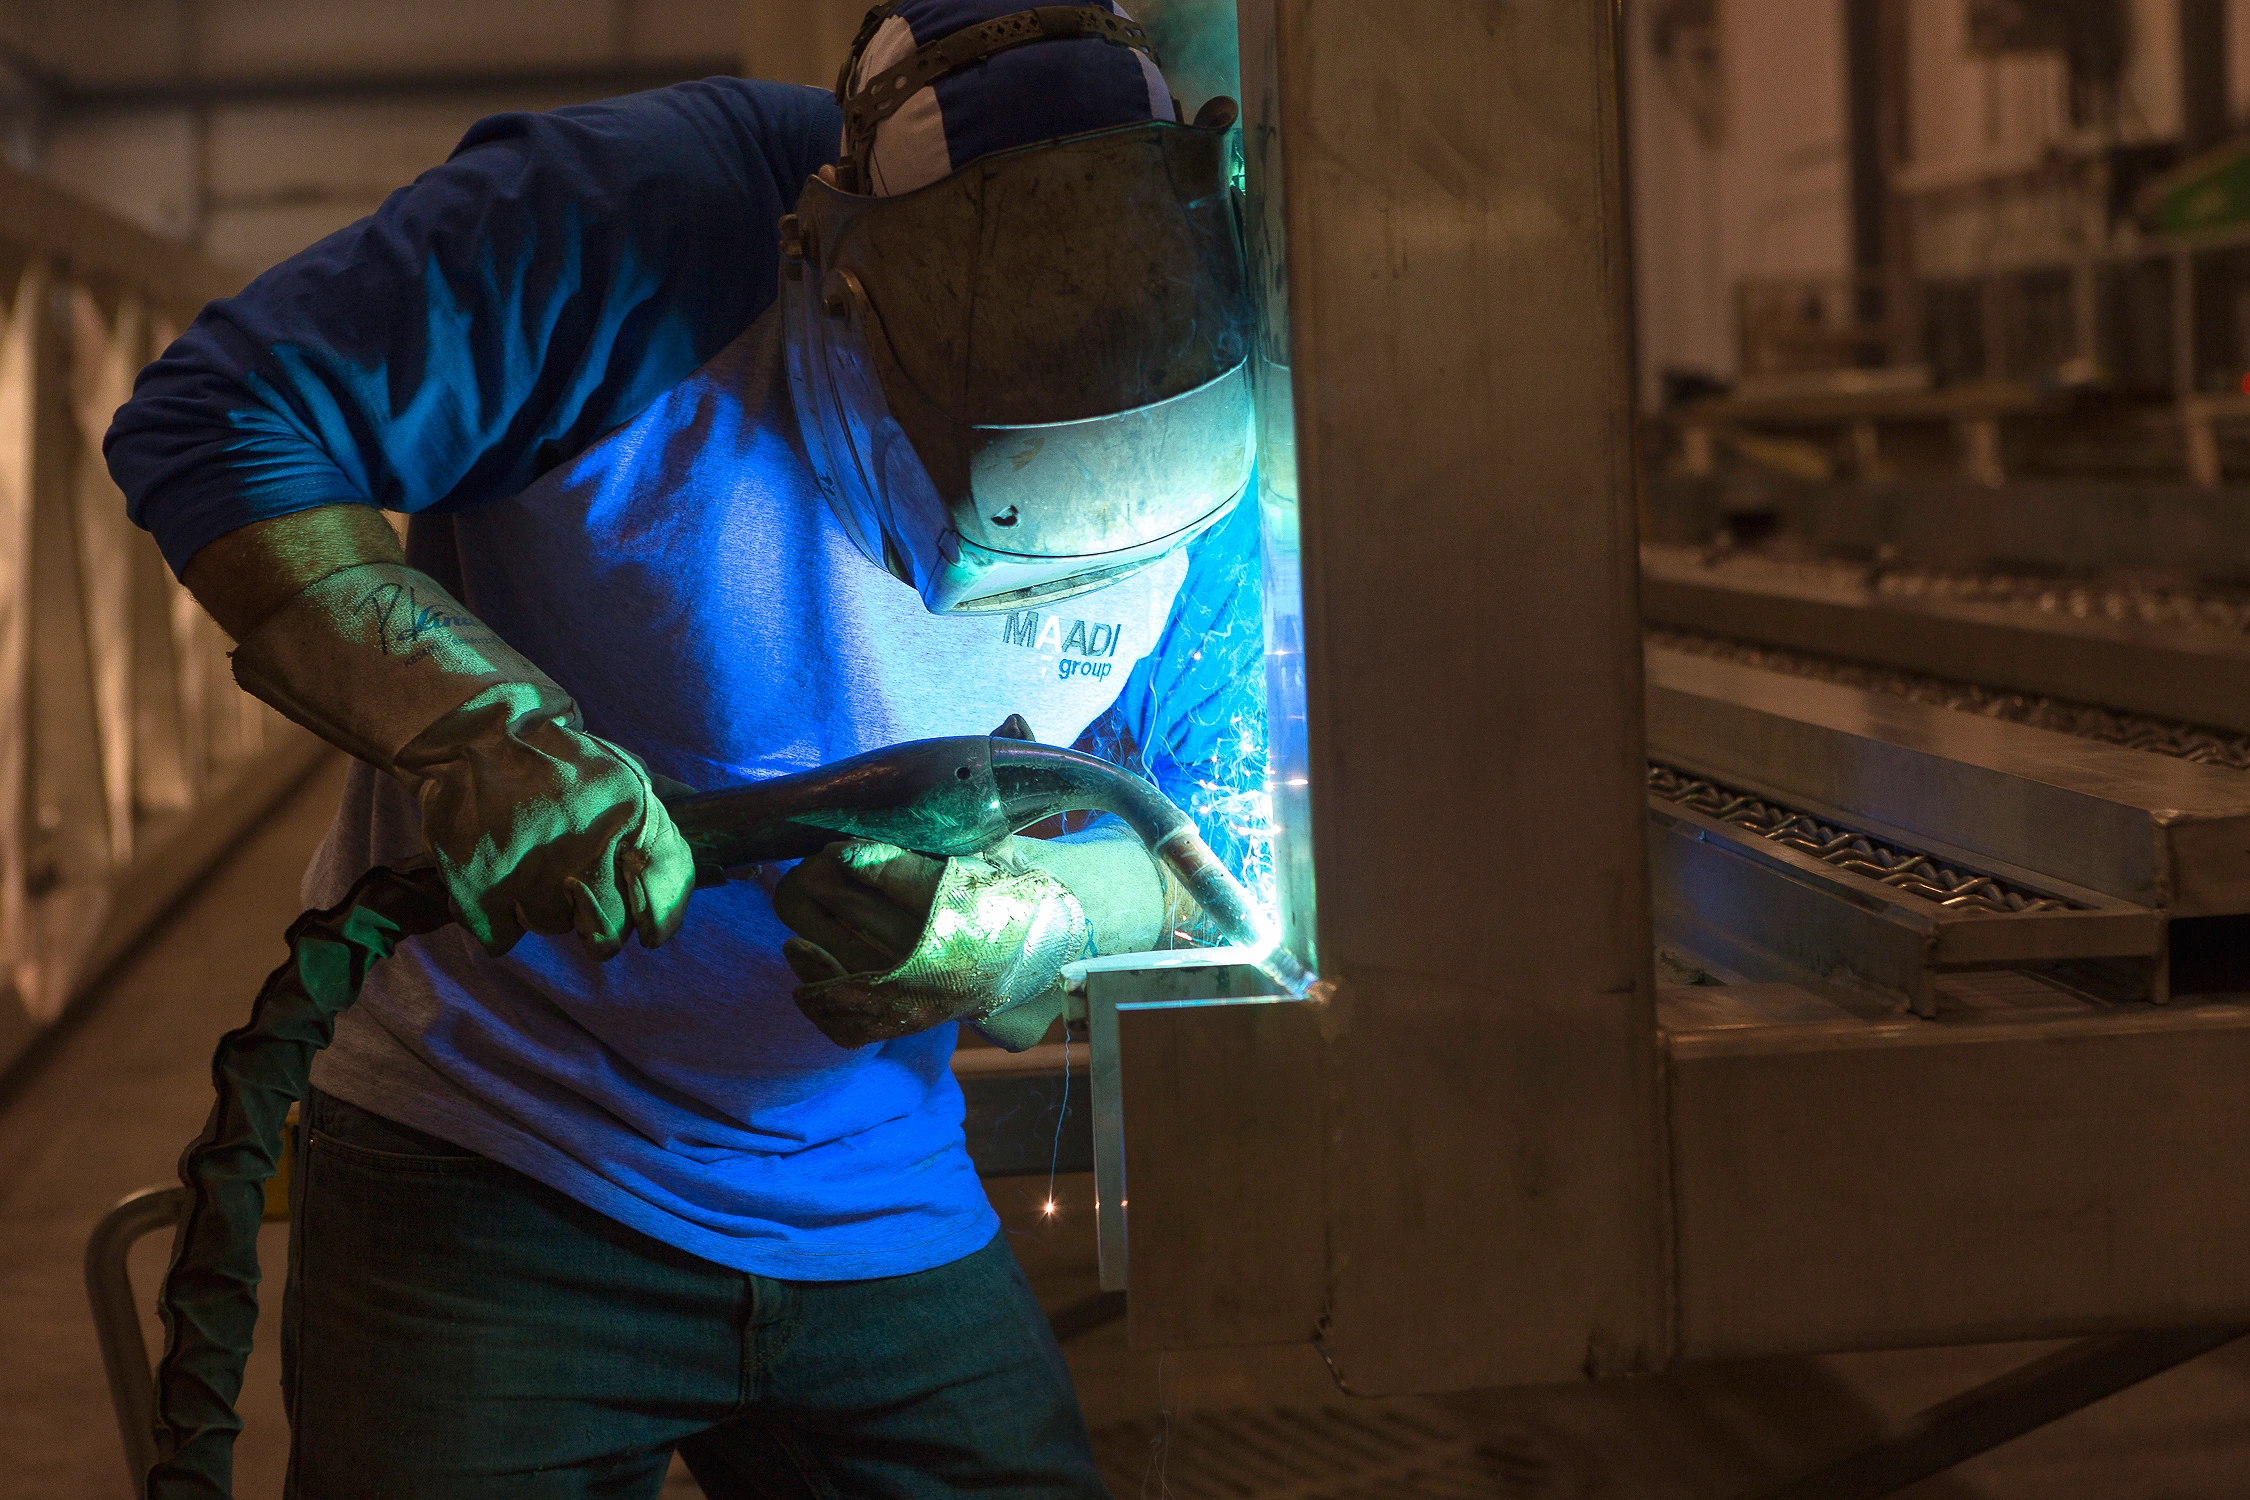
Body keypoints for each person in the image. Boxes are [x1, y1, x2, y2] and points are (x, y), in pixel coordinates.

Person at [104, 3, 1266, 1495]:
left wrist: (1046, 915)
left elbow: (1211, 824)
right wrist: (480, 731)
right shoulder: (636, 222)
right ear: (835, 266)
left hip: (876, 1190)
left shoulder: (1224, 337)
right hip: (496, 1158)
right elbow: (220, 418)